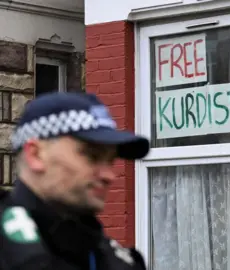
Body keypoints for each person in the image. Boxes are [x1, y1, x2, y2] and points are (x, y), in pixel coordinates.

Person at [0, 92, 150, 269]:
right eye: (91, 155)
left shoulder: (113, 259)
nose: (109, 175)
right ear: (36, 155)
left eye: (110, 160)